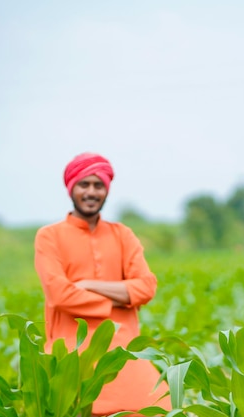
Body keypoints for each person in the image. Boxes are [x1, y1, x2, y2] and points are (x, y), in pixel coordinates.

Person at [34, 152, 171, 416]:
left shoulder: (123, 235)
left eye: (99, 185)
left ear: (106, 191)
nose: (91, 192)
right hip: (72, 352)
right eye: (84, 184)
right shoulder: (49, 236)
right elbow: (59, 294)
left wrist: (86, 285)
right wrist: (120, 297)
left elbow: (146, 288)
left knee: (163, 407)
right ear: (71, 188)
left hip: (123, 350)